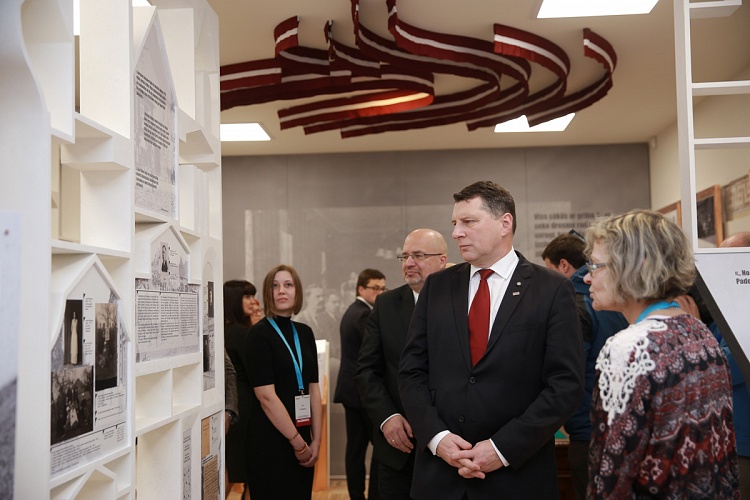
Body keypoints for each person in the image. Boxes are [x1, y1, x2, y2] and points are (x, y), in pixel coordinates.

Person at [399, 181, 584, 499]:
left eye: (468, 222)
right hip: (441, 477)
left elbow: (565, 385)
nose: (456, 233)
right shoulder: (437, 287)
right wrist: (437, 438)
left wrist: (501, 448)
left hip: (517, 478)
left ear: (504, 223)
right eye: (455, 223)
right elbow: (411, 371)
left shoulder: (551, 289)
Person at [584, 209, 738, 498]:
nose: (587, 279)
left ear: (638, 266)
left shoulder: (629, 348)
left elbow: (611, 472)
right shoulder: (698, 330)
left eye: (595, 266)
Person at [356, 228, 448, 499]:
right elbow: (366, 371)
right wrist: (388, 417)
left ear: (442, 260)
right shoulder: (385, 305)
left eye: (418, 256)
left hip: (450, 450)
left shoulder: (463, 301)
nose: (408, 263)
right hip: (398, 450)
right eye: (404, 256)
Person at [542, 233, 628, 500]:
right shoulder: (613, 300)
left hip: (589, 430)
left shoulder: (578, 304)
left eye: (597, 267)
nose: (589, 278)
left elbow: (571, 372)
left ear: (563, 265)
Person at [241, 265, 322, 499]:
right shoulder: (259, 334)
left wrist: (316, 440)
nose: (281, 291)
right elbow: (266, 396)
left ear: (297, 291)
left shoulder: (305, 332)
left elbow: (313, 388)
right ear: (268, 293)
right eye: (275, 286)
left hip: (303, 439)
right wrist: (297, 443)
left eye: (288, 285)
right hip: (270, 441)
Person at [334, 269, 386, 500]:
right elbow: (378, 350)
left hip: (353, 392)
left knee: (356, 448)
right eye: (375, 288)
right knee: (371, 448)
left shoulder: (354, 311)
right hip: (360, 394)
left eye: (383, 288)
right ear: (361, 289)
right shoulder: (363, 314)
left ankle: (358, 495)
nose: (380, 293)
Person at [222, 279, 258, 499]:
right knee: (250, 467)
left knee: (230, 464)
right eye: (247, 296)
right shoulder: (243, 333)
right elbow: (257, 371)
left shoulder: (220, 330)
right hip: (247, 405)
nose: (253, 301)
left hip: (230, 404)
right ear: (234, 300)